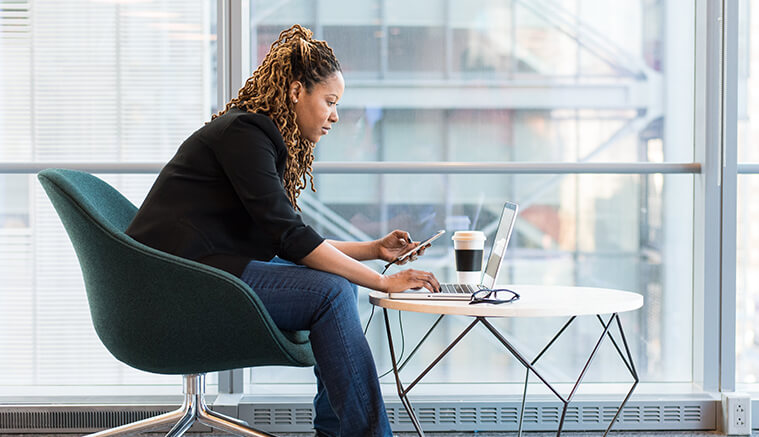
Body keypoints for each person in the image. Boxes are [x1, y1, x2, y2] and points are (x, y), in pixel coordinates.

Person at [125, 24, 441, 437]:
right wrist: (383, 282)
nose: (335, 115)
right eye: (329, 101)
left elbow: (290, 238)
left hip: (202, 269)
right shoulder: (246, 133)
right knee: (332, 291)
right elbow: (291, 238)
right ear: (295, 92)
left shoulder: (257, 136)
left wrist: (373, 249)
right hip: (174, 283)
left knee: (338, 286)